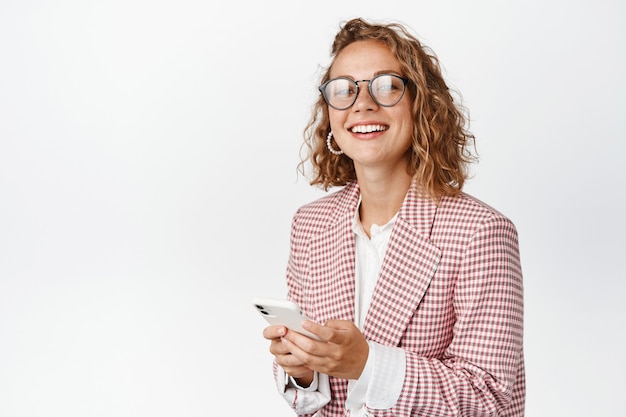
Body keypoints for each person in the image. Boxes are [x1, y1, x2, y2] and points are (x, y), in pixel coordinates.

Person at [262, 17, 525, 417]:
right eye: (344, 90)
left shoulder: (480, 232)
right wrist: (300, 369)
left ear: (422, 105)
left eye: (386, 86)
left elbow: (491, 399)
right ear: (330, 114)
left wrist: (370, 364)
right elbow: (315, 399)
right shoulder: (310, 225)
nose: (362, 104)